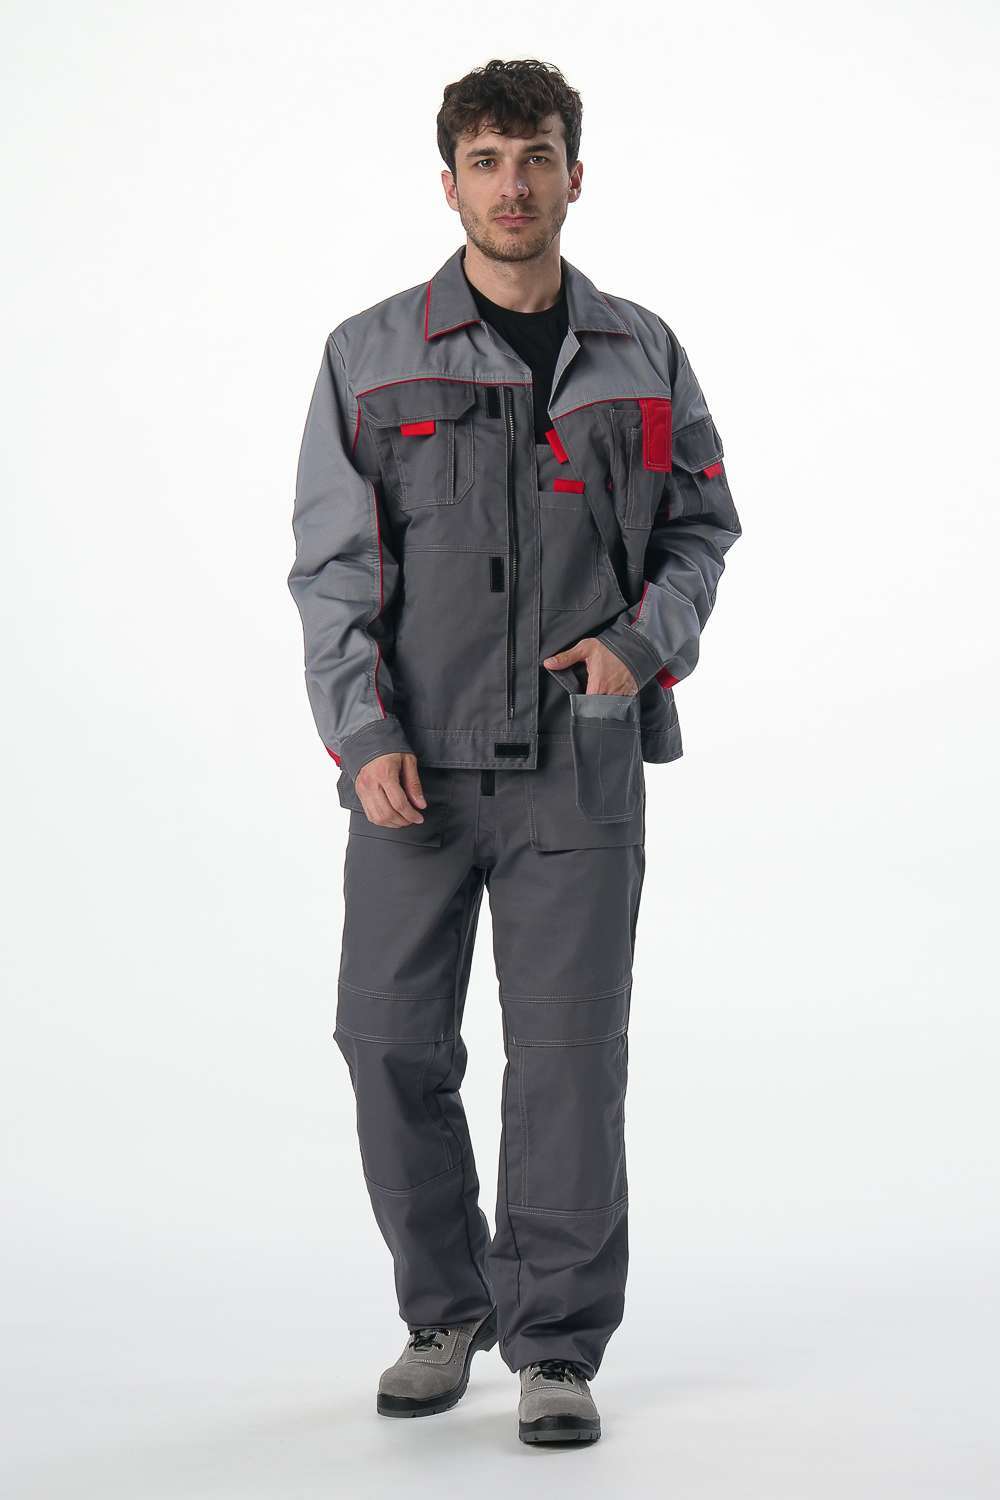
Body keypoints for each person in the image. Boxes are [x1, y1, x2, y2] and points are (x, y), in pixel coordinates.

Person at [287, 57, 741, 1447]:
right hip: (412, 771)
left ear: (574, 174)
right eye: (485, 161)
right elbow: (333, 569)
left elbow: (701, 527)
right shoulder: (371, 353)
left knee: (566, 1059)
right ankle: (444, 1311)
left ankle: (556, 1347)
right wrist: (361, 730)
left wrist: (639, 645)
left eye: (535, 156)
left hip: (577, 763)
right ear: (449, 184)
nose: (513, 184)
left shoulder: (643, 352)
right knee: (386, 1041)